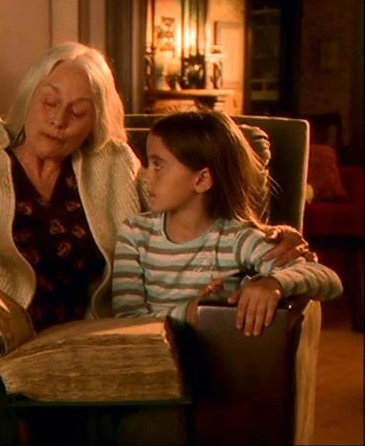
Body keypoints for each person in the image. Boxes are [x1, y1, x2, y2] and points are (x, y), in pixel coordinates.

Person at [0, 42, 311, 446]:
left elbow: (185, 209)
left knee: (84, 408)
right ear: (29, 96)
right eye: (49, 101)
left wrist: (269, 234)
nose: (58, 120)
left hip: (69, 349)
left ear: (96, 120)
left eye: (78, 111)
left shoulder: (113, 164)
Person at [112, 111, 342, 336]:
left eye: (158, 165)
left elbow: (329, 280)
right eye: (148, 163)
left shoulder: (236, 239)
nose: (146, 177)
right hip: (150, 356)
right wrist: (191, 313)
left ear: (202, 179)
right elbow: (125, 321)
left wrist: (274, 283)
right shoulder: (135, 234)